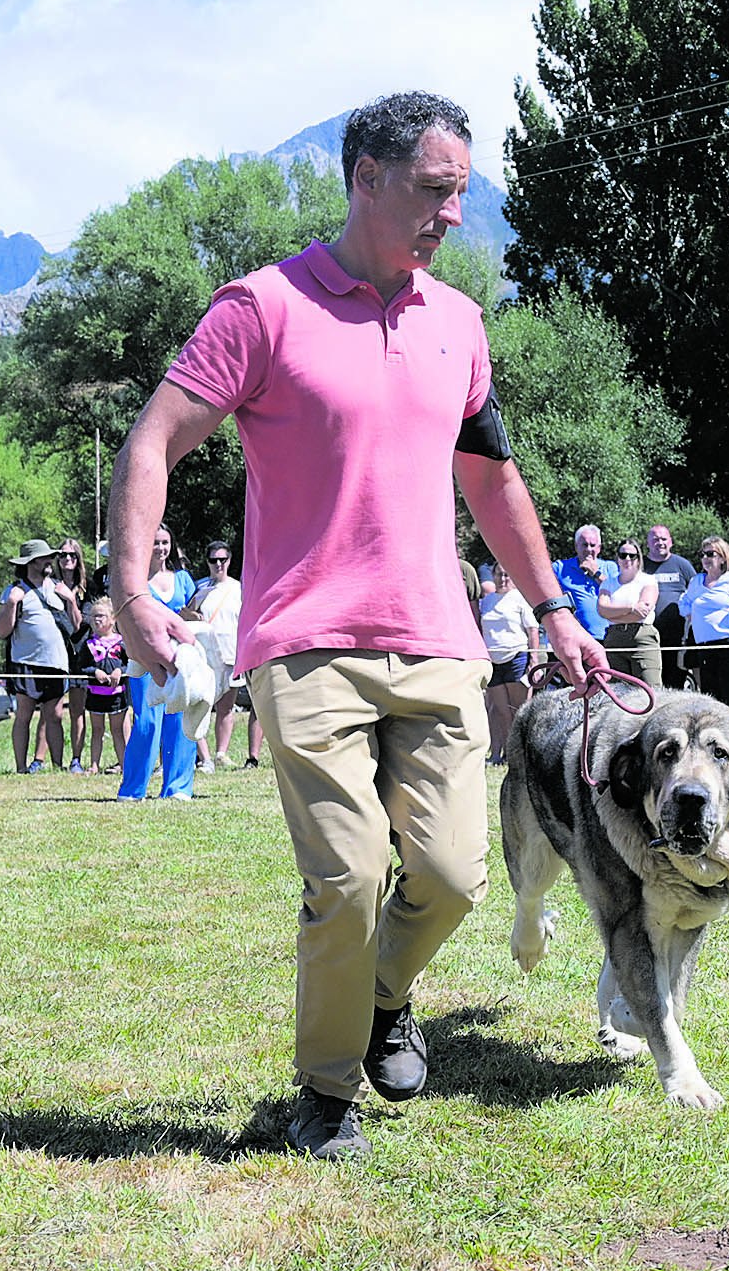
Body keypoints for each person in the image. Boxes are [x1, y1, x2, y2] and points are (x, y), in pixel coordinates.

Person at [107, 90, 607, 1161]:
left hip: (437, 640)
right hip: (304, 639)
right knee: (343, 873)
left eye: (460, 193)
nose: (451, 217)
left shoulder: (458, 324)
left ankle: (382, 995)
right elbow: (151, 440)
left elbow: (491, 480)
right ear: (365, 180)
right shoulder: (261, 308)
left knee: (457, 874)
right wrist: (134, 587)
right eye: (434, 192)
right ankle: (326, 1093)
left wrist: (554, 606)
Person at [116, 522, 200, 801]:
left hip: (178, 659)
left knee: (178, 719)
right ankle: (133, 789)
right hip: (144, 660)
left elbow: (193, 617)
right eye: (155, 543)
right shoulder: (135, 583)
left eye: (165, 543)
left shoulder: (184, 579)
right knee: (146, 722)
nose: (161, 549)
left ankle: (178, 788)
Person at [0, 538, 78, 776]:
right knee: (24, 715)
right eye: (45, 558)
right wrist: (12, 603)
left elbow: (76, 626)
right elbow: (2, 630)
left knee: (55, 715)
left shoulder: (59, 588)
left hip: (57, 663)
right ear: (31, 562)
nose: (50, 561)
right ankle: (21, 768)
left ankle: (58, 766)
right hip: (25, 662)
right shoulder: (14, 591)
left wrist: (71, 599)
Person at [680, 536, 729, 723]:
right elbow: (684, 604)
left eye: (711, 554)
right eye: (702, 555)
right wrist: (693, 616)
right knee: (711, 697)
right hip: (705, 646)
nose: (705, 558)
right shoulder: (696, 581)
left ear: (723, 557)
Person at [188, 540, 249, 771]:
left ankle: (221, 753)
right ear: (207, 562)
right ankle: (204, 758)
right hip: (204, 655)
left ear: (230, 561)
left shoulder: (239, 588)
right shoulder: (200, 586)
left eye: (222, 560)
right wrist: (194, 613)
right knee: (201, 705)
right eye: (213, 560)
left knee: (226, 707)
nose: (218, 564)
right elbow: (185, 614)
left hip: (231, 653)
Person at [479, 565, 540, 763]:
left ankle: (523, 755)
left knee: (518, 710)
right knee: (501, 711)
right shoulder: (487, 601)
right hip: (493, 660)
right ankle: (506, 753)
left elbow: (532, 631)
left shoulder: (520, 599)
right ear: (493, 576)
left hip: (517, 657)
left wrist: (534, 659)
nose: (502, 579)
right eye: (498, 574)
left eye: (506, 575)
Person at [598, 538, 664, 685]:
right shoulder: (608, 582)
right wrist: (631, 607)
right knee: (617, 692)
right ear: (617, 558)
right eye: (623, 555)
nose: (627, 559)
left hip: (642, 637)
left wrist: (614, 616)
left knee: (650, 688)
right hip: (614, 639)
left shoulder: (648, 580)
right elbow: (602, 610)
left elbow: (643, 612)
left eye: (631, 555)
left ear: (638, 558)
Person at [53, 538, 94, 771]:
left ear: (79, 558)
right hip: (55, 652)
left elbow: (79, 625)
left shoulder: (89, 587)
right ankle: (44, 760)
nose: (67, 559)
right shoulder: (49, 585)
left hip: (81, 654)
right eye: (63, 555)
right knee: (53, 709)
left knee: (80, 709)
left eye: (72, 555)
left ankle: (77, 759)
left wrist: (69, 598)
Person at [639, 524, 695, 691]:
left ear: (670, 542)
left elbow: (696, 591)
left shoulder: (682, 565)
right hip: (647, 635)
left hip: (677, 636)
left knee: (675, 683)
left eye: (664, 539)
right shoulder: (640, 565)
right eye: (655, 539)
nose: (660, 542)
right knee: (650, 682)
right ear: (648, 543)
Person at [80, 596, 130, 772]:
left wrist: (120, 671)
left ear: (113, 618)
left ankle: (124, 765)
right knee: (97, 730)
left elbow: (130, 664)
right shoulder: (89, 644)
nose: (97, 619)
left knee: (117, 731)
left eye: (101, 616)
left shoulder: (122, 642)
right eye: (94, 616)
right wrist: (94, 671)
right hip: (95, 694)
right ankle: (94, 766)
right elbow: (82, 667)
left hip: (117, 694)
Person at [552, 525, 611, 643]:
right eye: (584, 545)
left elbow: (616, 592)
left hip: (606, 636)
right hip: (573, 638)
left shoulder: (610, 567)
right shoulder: (560, 568)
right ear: (576, 546)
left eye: (593, 545)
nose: (589, 549)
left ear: (599, 548)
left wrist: (596, 573)